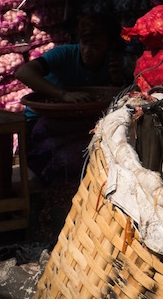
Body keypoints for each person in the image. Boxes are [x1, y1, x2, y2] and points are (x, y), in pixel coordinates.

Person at [14, 10, 129, 185]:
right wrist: (63, 94)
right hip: (43, 122)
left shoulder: (113, 63)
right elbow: (23, 72)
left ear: (108, 46)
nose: (88, 51)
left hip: (81, 123)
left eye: (96, 46)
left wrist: (117, 80)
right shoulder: (64, 54)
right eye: (84, 43)